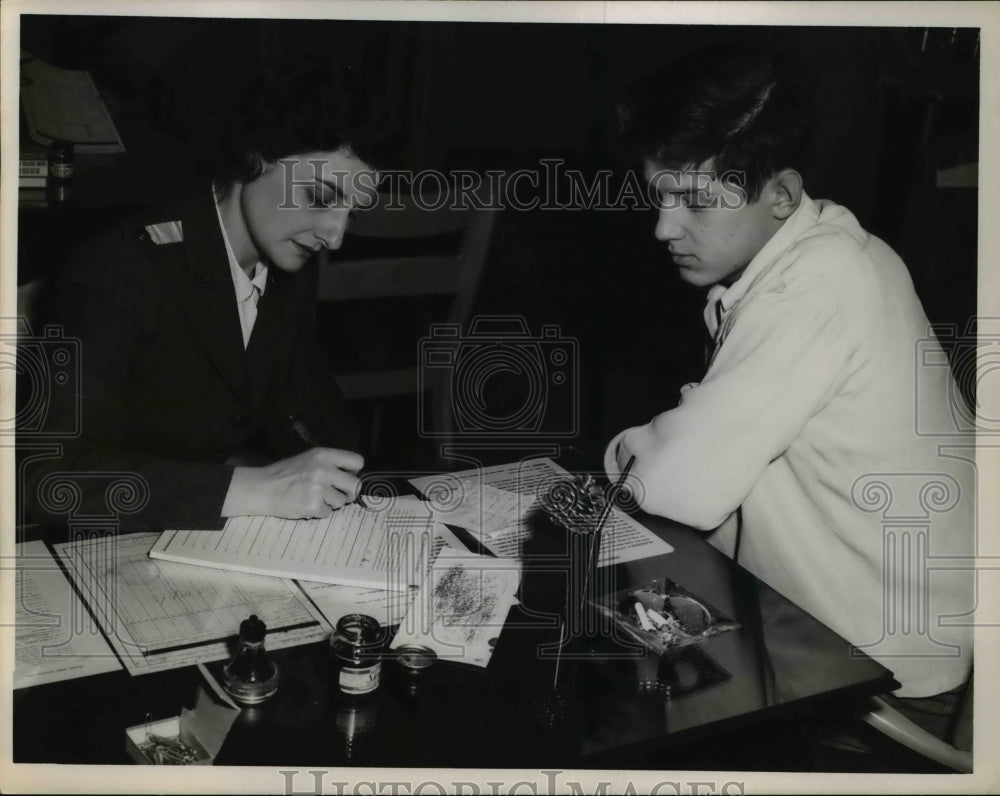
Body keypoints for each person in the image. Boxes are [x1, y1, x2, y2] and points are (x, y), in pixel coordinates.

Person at [604, 45, 974, 737]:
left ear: (780, 193)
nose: (663, 227)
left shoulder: (816, 285)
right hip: (868, 622)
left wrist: (622, 455)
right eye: (659, 197)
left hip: (885, 675)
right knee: (616, 614)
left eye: (695, 202)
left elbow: (675, 485)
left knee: (603, 662)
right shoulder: (825, 251)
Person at [24, 59, 396, 532]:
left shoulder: (286, 265)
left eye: (352, 213)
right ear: (254, 158)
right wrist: (254, 487)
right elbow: (48, 478)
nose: (335, 236)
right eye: (320, 198)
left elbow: (311, 412)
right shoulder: (121, 270)